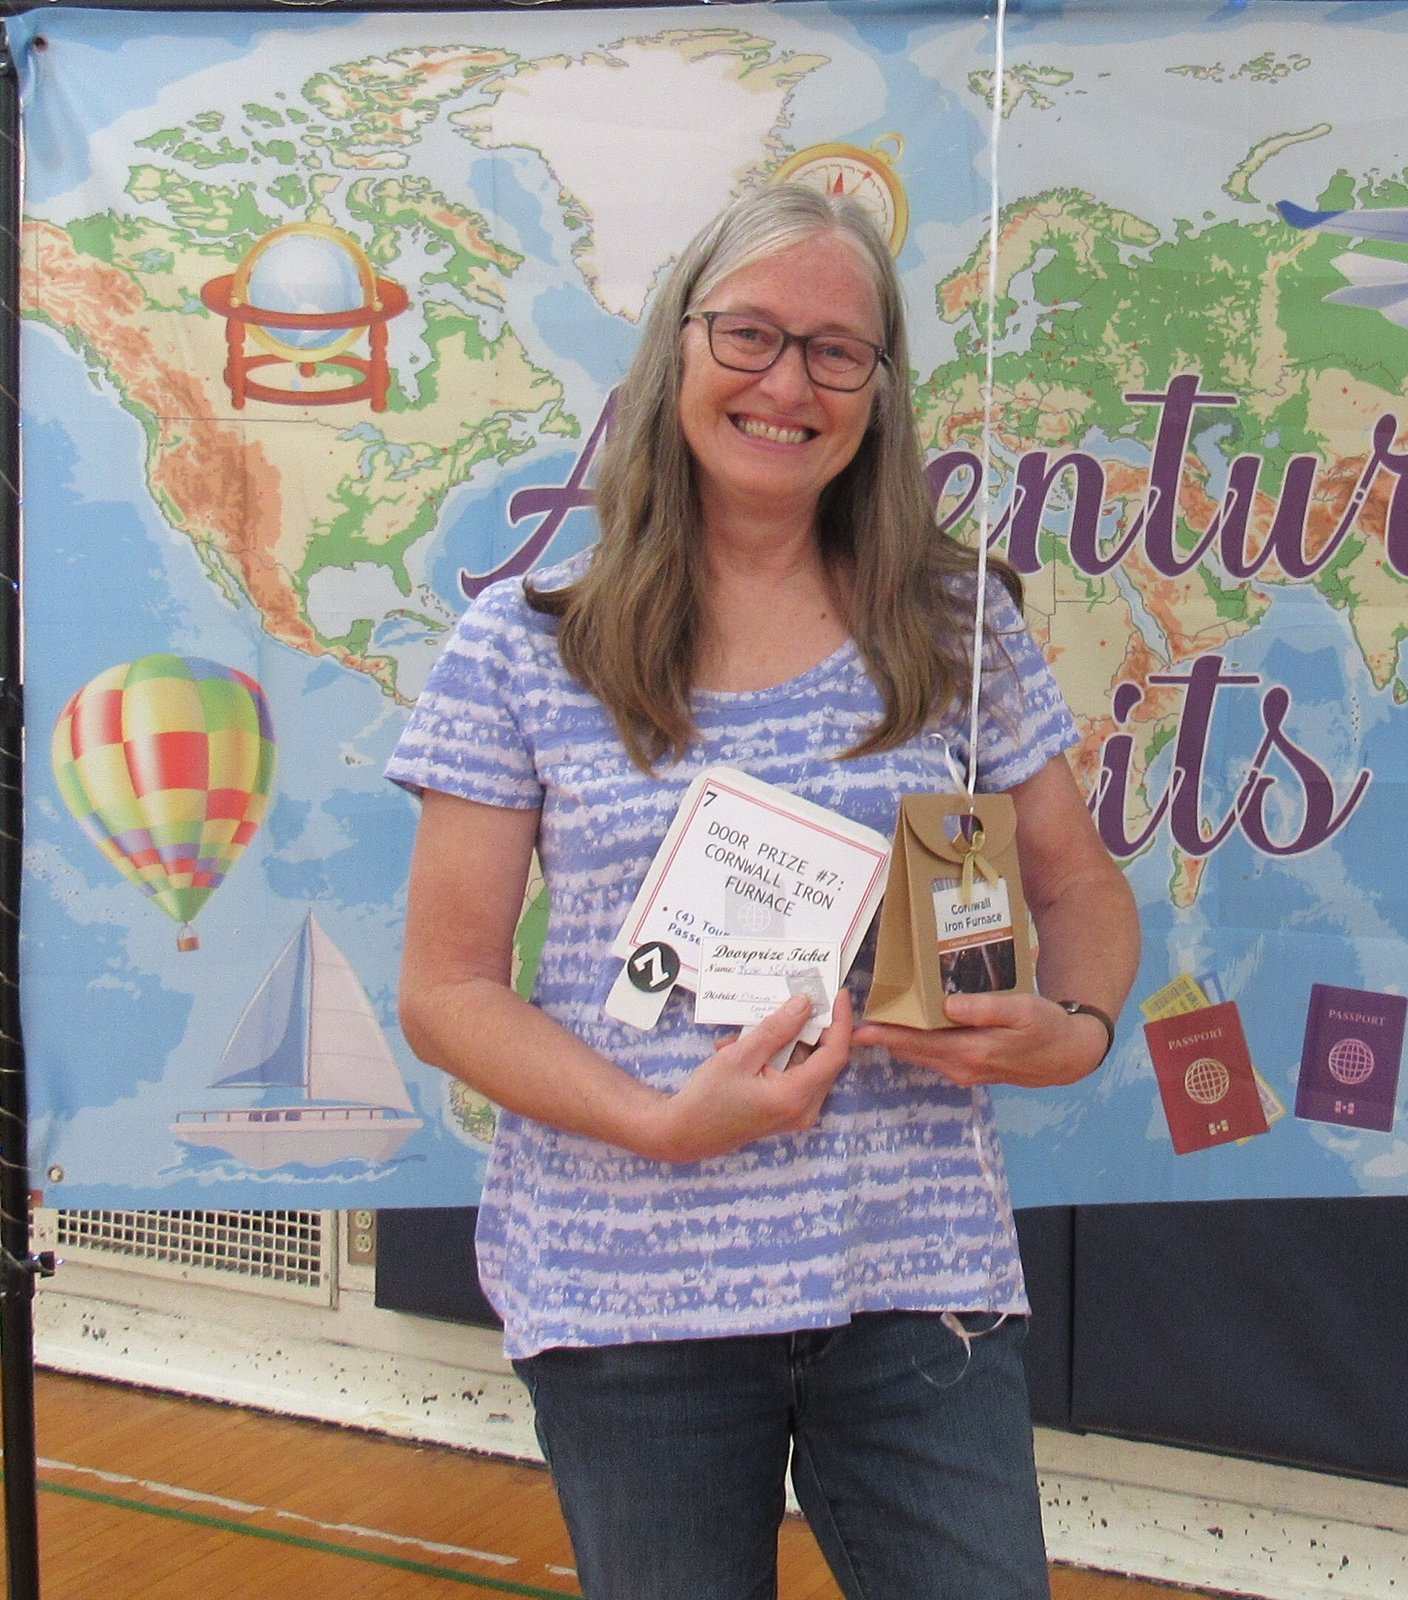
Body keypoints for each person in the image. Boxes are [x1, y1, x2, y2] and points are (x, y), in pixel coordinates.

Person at [388, 181, 1140, 1600]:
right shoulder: (521, 651)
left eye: (835, 350)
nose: (788, 382)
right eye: (749, 334)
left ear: (878, 390)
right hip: (632, 1295)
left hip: (914, 1285)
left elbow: (1082, 887)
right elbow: (445, 991)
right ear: (678, 347)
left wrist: (1078, 1025)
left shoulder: (956, 623)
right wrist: (663, 1124)